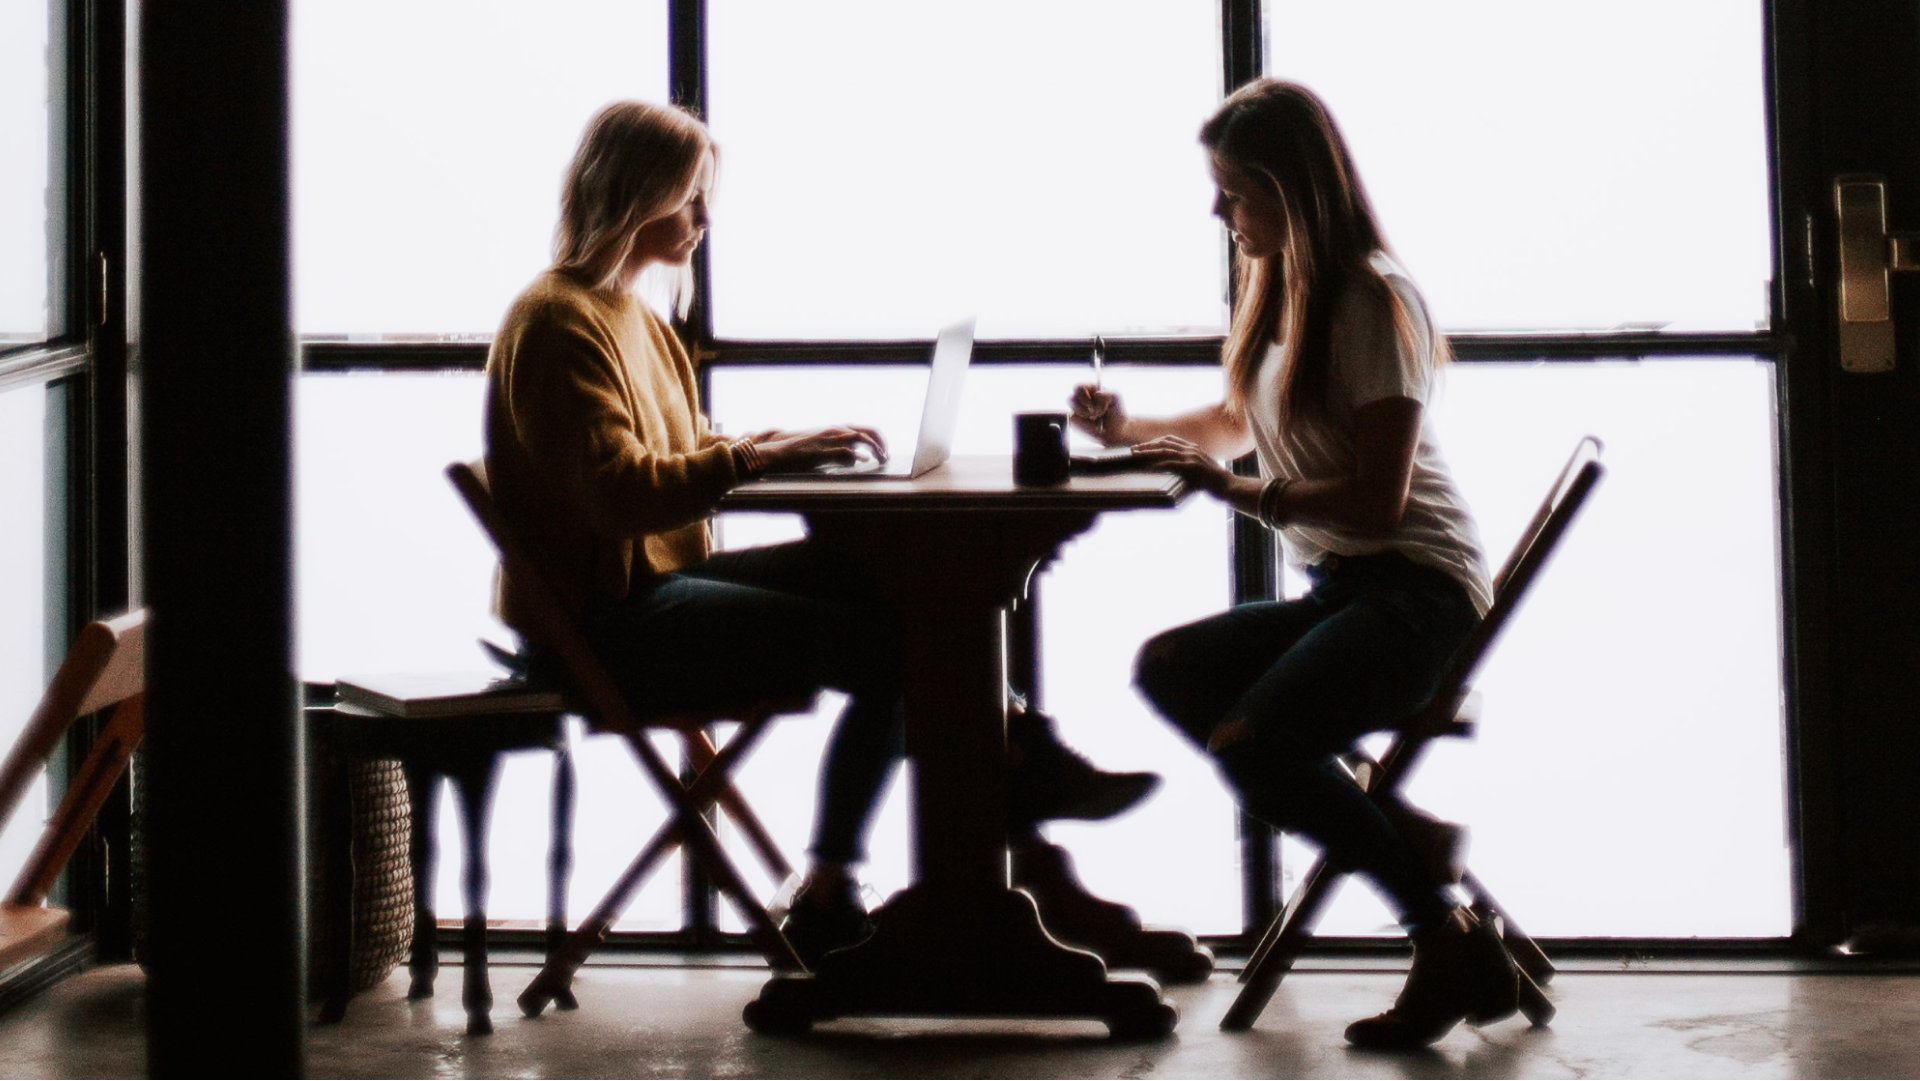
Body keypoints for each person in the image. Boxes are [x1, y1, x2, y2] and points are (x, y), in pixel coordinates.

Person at [484, 101, 1152, 964]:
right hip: (603, 623)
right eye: (690, 198)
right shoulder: (557, 321)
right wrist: (757, 462)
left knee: (890, 581)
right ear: (634, 194)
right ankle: (963, 814)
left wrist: (770, 447)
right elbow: (620, 494)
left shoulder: (633, 317)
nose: (704, 220)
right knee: (900, 641)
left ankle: (1009, 784)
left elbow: (677, 459)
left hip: (645, 593)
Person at [1069, 80, 1519, 1049]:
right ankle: (1415, 846)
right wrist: (1129, 432)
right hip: (1347, 587)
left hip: (1419, 594)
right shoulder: (1285, 289)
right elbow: (1238, 426)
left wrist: (1225, 490)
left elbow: (1377, 500)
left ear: (1292, 189)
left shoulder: (1371, 297)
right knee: (1170, 667)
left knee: (1255, 743)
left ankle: (1442, 934)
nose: (1217, 211)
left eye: (1233, 191)